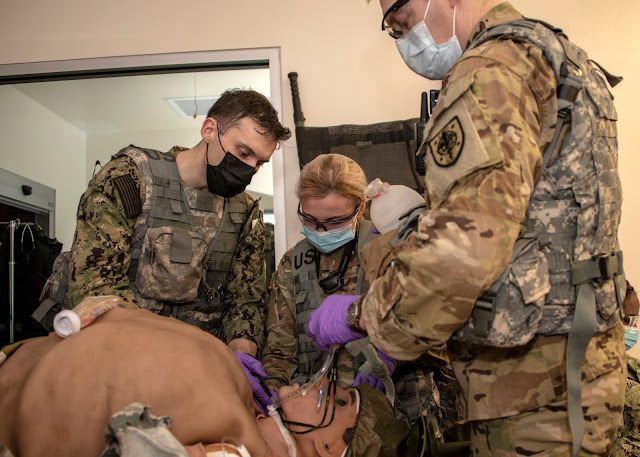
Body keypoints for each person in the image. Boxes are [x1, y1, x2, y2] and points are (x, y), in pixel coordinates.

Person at [306, 1, 627, 456]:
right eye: (391, 27)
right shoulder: (556, 53)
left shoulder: (490, 67)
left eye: (401, 13)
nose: (399, 32)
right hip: (572, 371)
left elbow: (460, 254)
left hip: (532, 388)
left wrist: (361, 316)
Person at [41, 89, 291, 358]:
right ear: (209, 131)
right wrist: (164, 360)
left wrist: (241, 352)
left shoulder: (245, 212)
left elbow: (246, 299)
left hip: (200, 364)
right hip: (118, 354)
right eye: (243, 152)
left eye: (260, 163)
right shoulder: (128, 180)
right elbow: (96, 288)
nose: (250, 169)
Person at [0, 301, 411, 457]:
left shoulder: (238, 447)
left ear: (328, 448)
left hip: (23, 395)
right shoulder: (245, 410)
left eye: (337, 402)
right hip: (27, 359)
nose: (322, 384)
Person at [247, 154, 458, 445]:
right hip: (323, 427)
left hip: (399, 410)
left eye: (334, 221)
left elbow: (439, 334)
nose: (320, 230)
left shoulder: (391, 245)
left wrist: (389, 354)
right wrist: (272, 398)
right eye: (310, 219)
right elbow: (280, 349)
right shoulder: (292, 263)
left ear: (360, 209)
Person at [612, 281, 640, 457]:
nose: (633, 327)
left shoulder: (633, 366)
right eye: (627, 319)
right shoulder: (586, 373)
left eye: (635, 320)